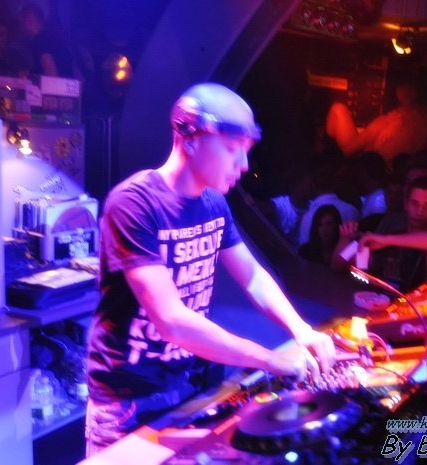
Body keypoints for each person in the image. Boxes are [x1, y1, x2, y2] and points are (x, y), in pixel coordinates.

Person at [85, 83, 336, 455]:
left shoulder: (214, 204)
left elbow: (253, 277)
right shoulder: (134, 203)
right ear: (189, 138)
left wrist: (302, 330)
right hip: (126, 399)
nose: (244, 165)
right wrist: (269, 359)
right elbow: (171, 320)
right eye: (233, 149)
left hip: (183, 383)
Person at [325, 80, 427, 167]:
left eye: (411, 85)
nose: (406, 90)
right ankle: (324, 148)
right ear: (396, 89)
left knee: (338, 110)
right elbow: (349, 150)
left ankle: (326, 152)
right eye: (402, 85)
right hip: (368, 158)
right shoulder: (388, 118)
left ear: (418, 88)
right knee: (338, 109)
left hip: (387, 169)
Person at [18, 2, 73, 77]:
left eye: (21, 22)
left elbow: (51, 76)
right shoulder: (50, 37)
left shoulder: (40, 41)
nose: (20, 27)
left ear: (31, 21)